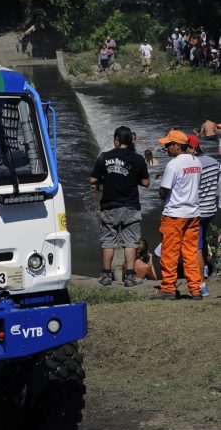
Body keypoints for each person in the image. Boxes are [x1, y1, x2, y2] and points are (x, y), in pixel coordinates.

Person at [89, 126, 150, 287]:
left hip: (110, 206)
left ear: (116, 140)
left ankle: (106, 275)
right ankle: (130, 276)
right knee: (130, 242)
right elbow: (146, 183)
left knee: (108, 241)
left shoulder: (105, 157)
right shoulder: (137, 159)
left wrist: (107, 179)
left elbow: (92, 180)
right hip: (130, 206)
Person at [156, 130, 203, 300]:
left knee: (170, 253)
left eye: (169, 145)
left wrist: (160, 192)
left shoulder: (173, 164)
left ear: (177, 145)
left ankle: (168, 288)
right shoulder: (196, 162)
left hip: (174, 214)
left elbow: (164, 190)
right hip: (193, 213)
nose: (167, 148)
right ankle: (196, 289)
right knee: (190, 253)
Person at [187, 135, 221, 295]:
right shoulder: (215, 162)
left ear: (191, 148)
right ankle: (206, 271)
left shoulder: (193, 164)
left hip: (198, 211)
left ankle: (202, 284)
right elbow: (218, 187)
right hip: (211, 209)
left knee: (196, 247)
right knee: (203, 241)